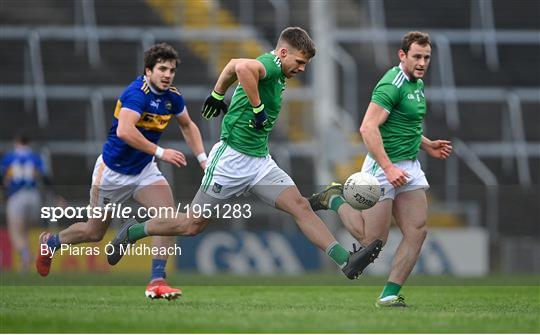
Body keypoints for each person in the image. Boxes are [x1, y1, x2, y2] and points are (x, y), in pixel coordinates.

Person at [107, 27, 382, 280]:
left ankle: (345, 260)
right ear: (283, 53)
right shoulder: (271, 65)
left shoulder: (277, 69)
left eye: (305, 64)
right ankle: (133, 231)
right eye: (299, 62)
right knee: (191, 225)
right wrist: (258, 107)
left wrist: (217, 94)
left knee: (300, 206)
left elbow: (231, 66)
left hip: (260, 162)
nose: (301, 68)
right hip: (230, 161)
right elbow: (242, 68)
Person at [36, 43, 207, 300]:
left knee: (168, 220)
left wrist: (203, 159)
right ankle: (51, 244)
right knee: (93, 233)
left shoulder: (172, 96)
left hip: (144, 171)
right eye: (162, 69)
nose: (167, 74)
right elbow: (124, 131)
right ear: (148, 71)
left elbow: (188, 125)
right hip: (112, 173)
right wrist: (160, 153)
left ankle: (157, 280)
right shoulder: (135, 94)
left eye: (171, 70)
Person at [309, 31, 452, 307]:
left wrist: (427, 145)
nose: (422, 62)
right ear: (403, 56)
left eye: (427, 57)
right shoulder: (392, 84)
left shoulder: (417, 85)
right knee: (372, 241)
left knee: (418, 231)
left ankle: (389, 294)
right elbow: (367, 127)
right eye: (417, 57)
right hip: (382, 166)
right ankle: (334, 198)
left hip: (408, 166)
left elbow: (404, 126)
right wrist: (387, 167)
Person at [1, 132, 51, 272]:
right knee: (25, 230)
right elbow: (45, 177)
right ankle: (26, 264)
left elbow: (3, 176)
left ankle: (25, 255)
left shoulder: (10, 157)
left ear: (17, 141)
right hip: (34, 196)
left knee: (15, 231)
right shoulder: (35, 157)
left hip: (17, 196)